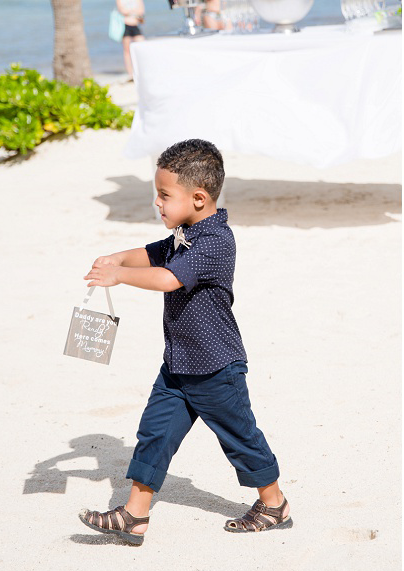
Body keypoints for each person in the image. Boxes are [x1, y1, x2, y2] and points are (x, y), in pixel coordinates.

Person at [79, 139, 291, 545]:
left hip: (216, 367)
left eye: (163, 195)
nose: (156, 203)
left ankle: (274, 503)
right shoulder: (183, 234)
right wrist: (116, 259)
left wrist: (119, 277)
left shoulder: (214, 242)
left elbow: (167, 278)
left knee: (240, 437)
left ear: (198, 198)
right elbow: (150, 253)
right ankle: (134, 516)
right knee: (154, 433)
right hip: (178, 364)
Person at [116, 0, 145, 79]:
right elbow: (122, 11)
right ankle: (130, 74)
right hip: (125, 26)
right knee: (127, 51)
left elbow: (141, 11)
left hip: (135, 25)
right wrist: (134, 11)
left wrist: (130, 12)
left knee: (142, 47)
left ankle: (142, 70)